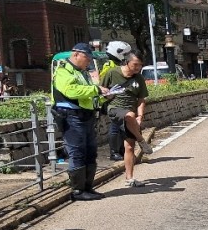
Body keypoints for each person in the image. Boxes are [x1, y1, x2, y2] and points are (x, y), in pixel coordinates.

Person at [52, 43, 112, 201]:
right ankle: (78, 191)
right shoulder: (63, 71)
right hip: (71, 117)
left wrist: (102, 96)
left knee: (90, 152)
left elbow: (86, 95)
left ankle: (88, 187)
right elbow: (71, 91)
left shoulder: (82, 73)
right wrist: (96, 90)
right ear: (76, 54)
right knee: (77, 153)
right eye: (87, 57)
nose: (89, 61)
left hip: (86, 116)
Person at [100, 49, 153, 188]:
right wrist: (107, 95)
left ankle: (129, 178)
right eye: (135, 64)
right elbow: (101, 89)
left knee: (129, 146)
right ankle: (141, 140)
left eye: (140, 65)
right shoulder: (112, 73)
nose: (138, 68)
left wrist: (140, 116)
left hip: (132, 113)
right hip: (114, 108)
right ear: (127, 62)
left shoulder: (139, 78)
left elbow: (141, 99)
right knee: (129, 116)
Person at [101, 41, 134, 161]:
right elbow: (104, 86)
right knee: (115, 127)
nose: (128, 56)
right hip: (113, 101)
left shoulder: (116, 65)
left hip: (120, 100)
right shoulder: (109, 67)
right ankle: (114, 152)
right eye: (126, 53)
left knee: (122, 126)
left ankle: (120, 150)